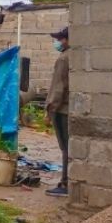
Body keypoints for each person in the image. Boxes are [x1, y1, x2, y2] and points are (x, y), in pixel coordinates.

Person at [45, 27, 69, 197]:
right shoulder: (79, 56)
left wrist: (50, 109)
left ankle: (66, 183)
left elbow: (58, 88)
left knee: (66, 148)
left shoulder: (63, 59)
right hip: (73, 108)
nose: (58, 42)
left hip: (62, 110)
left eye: (60, 39)